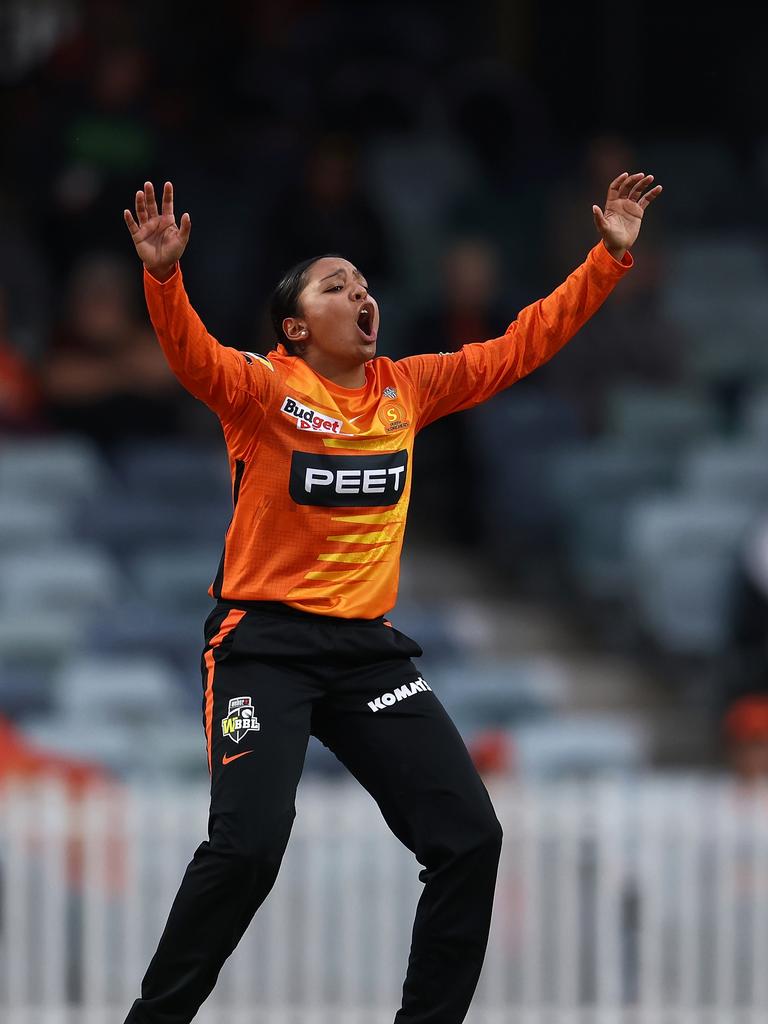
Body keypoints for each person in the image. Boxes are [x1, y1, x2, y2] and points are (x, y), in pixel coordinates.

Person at [121, 171, 661, 1024]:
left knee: (470, 841)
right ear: (296, 328)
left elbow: (519, 345)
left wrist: (607, 258)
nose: (360, 293)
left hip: (365, 651)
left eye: (365, 284)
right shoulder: (266, 390)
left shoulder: (407, 391)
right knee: (250, 849)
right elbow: (193, 358)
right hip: (263, 646)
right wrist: (163, 279)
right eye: (336, 287)